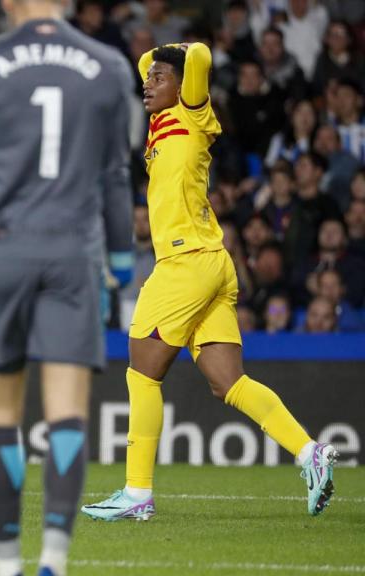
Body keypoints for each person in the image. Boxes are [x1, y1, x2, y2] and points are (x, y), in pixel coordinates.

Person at [82, 40, 338, 525]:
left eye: (160, 78)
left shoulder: (194, 114)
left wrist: (171, 55)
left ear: (182, 86)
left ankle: (137, 492)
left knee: (141, 371)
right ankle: (310, 453)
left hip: (185, 264)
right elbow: (147, 67)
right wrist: (156, 65)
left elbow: (197, 53)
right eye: (149, 79)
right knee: (228, 383)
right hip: (212, 263)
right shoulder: (159, 121)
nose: (148, 83)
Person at [0, 2, 134, 574]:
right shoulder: (107, 65)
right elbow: (115, 177)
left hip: (4, 248)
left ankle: (6, 562)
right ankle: (54, 558)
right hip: (71, 253)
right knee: (66, 415)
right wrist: (122, 257)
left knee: (1, 416)